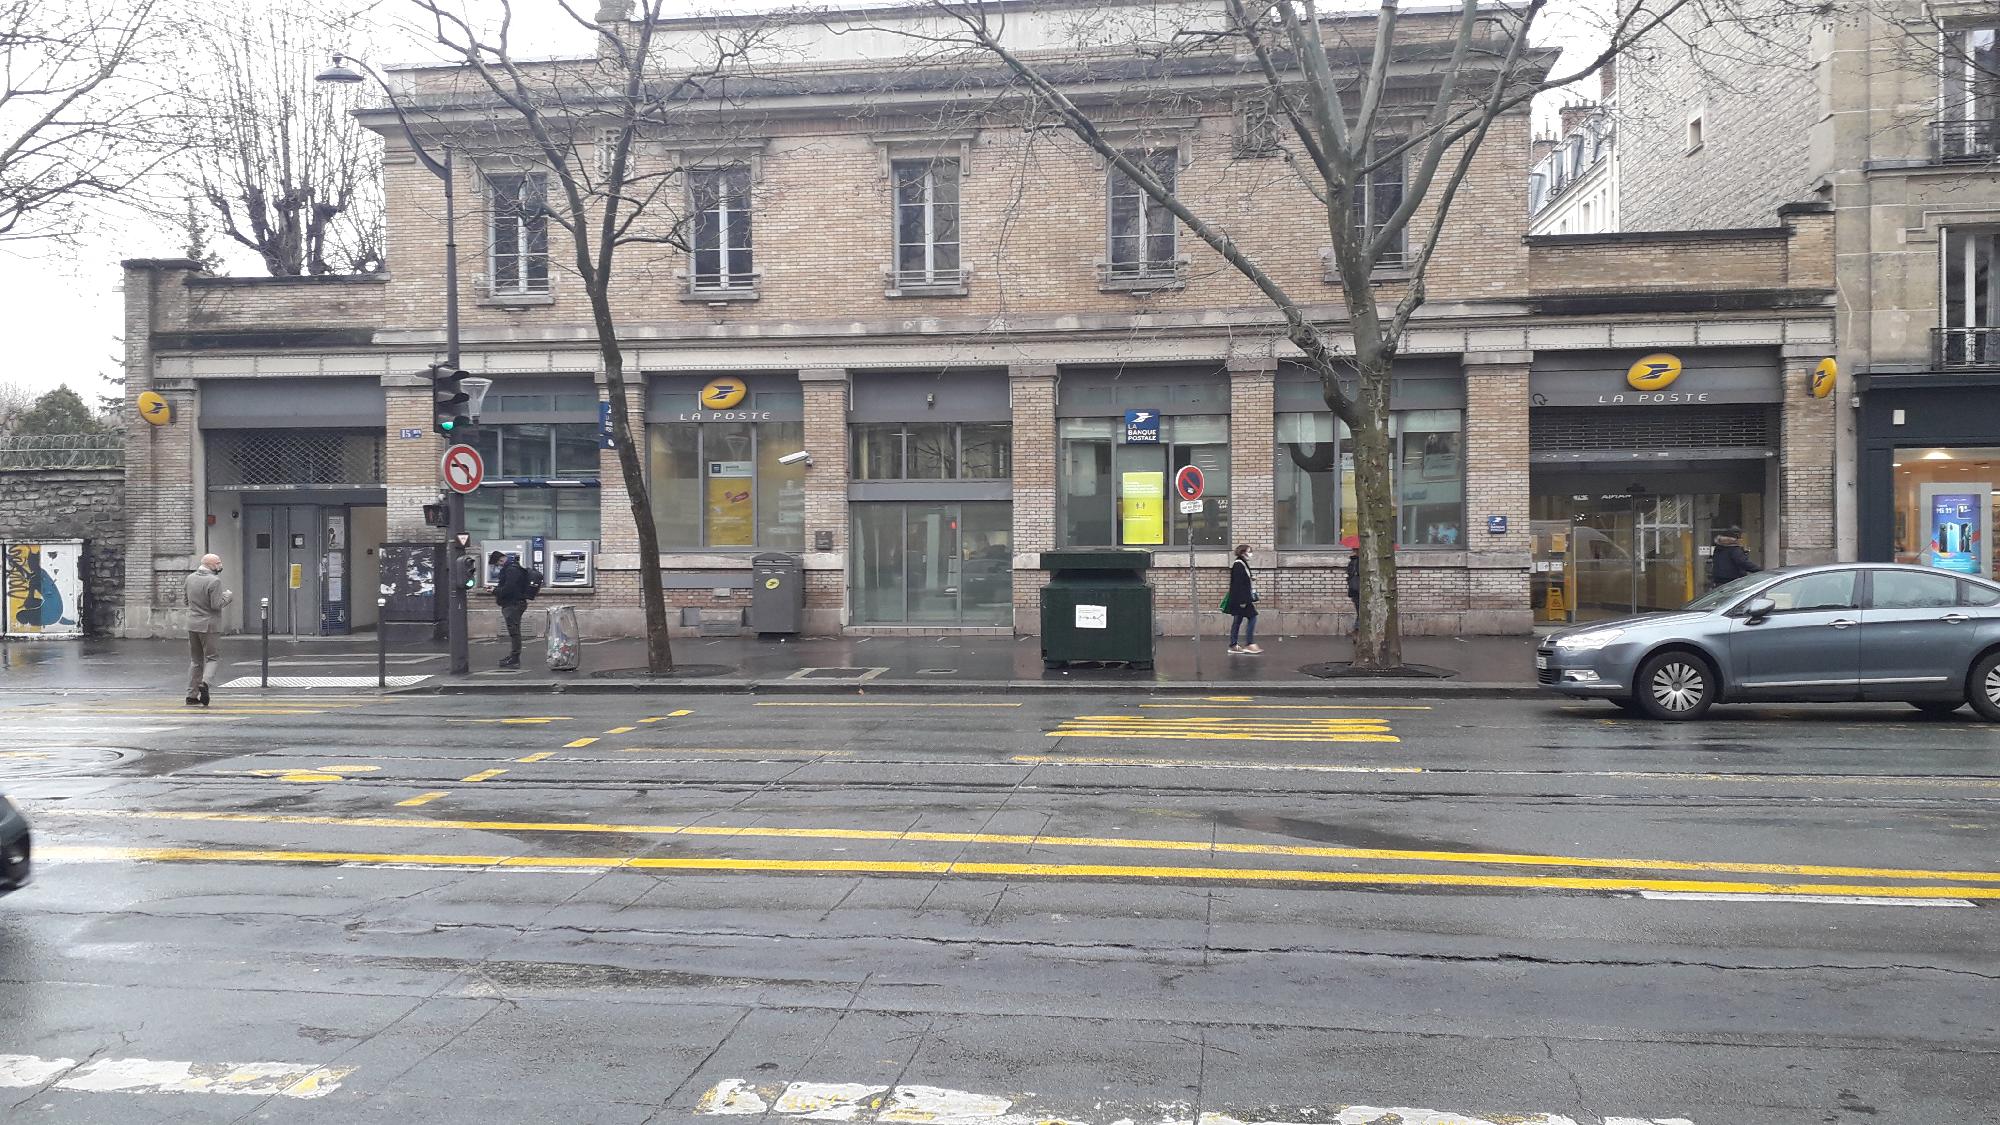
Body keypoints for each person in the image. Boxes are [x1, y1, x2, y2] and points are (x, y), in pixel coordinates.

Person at [184, 554, 232, 707]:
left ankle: (191, 696)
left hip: (192, 624)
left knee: (195, 660)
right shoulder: (214, 581)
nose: (220, 565)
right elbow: (216, 605)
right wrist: (228, 597)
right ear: (209, 565)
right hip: (209, 625)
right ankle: (205, 683)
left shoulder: (190, 578)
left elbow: (185, 601)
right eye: (218, 563)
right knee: (212, 658)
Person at [490, 550, 534, 669]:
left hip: (513, 604)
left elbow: (509, 589)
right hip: (514, 603)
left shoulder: (511, 570)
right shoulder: (514, 567)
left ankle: (515, 659)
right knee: (514, 631)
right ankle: (513, 657)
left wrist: (494, 591)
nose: (498, 567)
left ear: (501, 560)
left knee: (514, 632)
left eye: (498, 564)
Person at [1225, 543, 1261, 655]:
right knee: (1253, 617)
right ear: (1242, 552)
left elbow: (1242, 580)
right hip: (1242, 599)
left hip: (1240, 599)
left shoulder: (1242, 564)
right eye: (1249, 551)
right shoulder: (1239, 564)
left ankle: (1233, 645)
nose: (1251, 554)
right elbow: (1238, 584)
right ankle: (1249, 644)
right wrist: (1243, 601)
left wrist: (1250, 578)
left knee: (1237, 621)